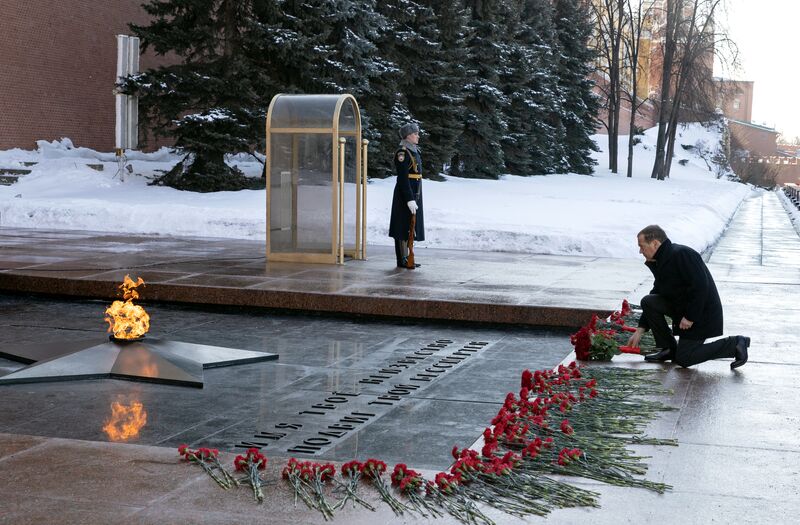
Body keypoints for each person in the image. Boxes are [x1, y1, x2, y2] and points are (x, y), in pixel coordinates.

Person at [626, 225, 751, 369]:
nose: (640, 251)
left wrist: (690, 317)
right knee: (649, 301)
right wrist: (640, 329)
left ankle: (735, 343)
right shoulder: (662, 260)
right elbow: (657, 292)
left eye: (642, 246)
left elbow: (701, 287)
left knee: (685, 358)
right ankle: (668, 349)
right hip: (684, 309)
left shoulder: (682, 254)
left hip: (701, 314)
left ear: (655, 243)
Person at [389, 122, 425, 269]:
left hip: (414, 194)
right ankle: (402, 258)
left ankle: (408, 256)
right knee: (402, 226)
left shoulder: (414, 151)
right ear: (408, 136)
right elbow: (403, 178)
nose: (418, 136)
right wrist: (409, 199)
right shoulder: (402, 153)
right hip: (405, 195)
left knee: (410, 226)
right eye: (415, 134)